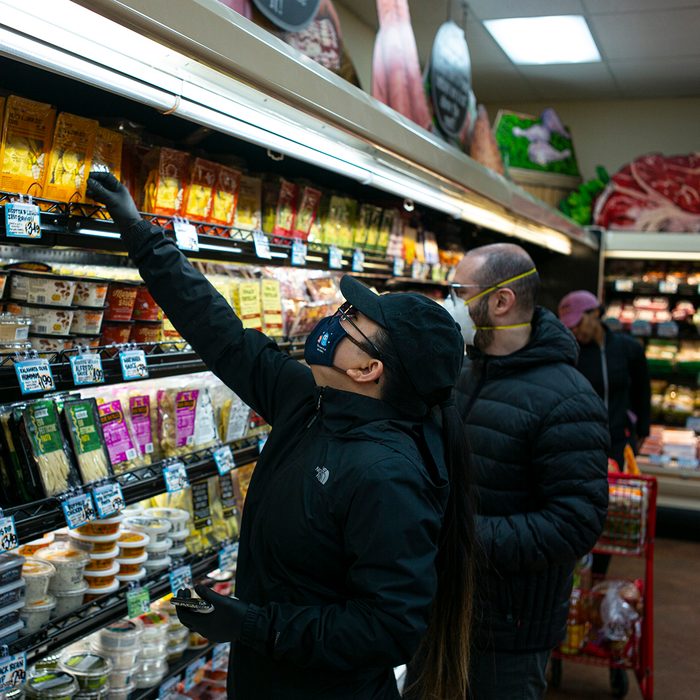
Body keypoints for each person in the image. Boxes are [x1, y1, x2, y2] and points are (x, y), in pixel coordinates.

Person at [86, 172, 474, 700]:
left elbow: (386, 630)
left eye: (351, 319)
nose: (333, 320)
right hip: (264, 679)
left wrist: (253, 625)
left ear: (368, 369)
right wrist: (139, 231)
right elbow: (221, 334)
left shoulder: (388, 475)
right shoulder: (311, 402)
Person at [443, 243, 609, 700]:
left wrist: (461, 535)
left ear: (500, 302)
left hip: (508, 633)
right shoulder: (463, 373)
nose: (450, 303)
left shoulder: (567, 399)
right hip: (443, 613)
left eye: (458, 291)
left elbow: (575, 523)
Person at [558, 290, 651, 468]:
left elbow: (642, 390)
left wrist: (642, 429)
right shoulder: (570, 354)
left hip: (619, 440)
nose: (574, 331)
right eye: (569, 327)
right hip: (581, 444)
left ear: (595, 313)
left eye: (577, 323)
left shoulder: (629, 348)